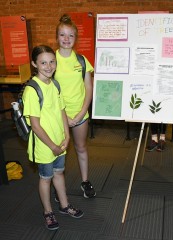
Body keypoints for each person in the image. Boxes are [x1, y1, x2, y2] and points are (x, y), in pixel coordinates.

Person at [23, 45, 84, 230]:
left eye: (52, 62)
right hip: (45, 146)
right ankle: (48, 211)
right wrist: (52, 146)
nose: (48, 66)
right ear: (34, 64)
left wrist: (66, 136)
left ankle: (64, 205)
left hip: (60, 142)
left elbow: (62, 110)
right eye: (43, 62)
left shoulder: (55, 84)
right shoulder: (32, 90)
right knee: (46, 178)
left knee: (59, 173)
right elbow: (35, 125)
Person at [54, 14, 96, 198]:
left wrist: (81, 113)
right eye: (62, 35)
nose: (66, 39)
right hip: (57, 116)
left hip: (79, 115)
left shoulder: (82, 61)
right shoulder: (51, 60)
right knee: (58, 152)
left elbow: (89, 88)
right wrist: (64, 117)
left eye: (71, 35)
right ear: (57, 37)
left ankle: (85, 181)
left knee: (81, 147)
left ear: (75, 38)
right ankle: (59, 186)